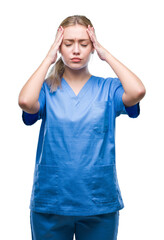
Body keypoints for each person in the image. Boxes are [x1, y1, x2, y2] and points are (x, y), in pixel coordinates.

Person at [18, 15, 146, 240]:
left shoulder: (108, 88)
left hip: (98, 204)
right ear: (59, 46)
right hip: (52, 202)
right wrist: (49, 58)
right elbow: (26, 102)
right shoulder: (47, 89)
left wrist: (105, 54)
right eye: (68, 44)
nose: (75, 50)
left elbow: (137, 92)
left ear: (92, 47)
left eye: (84, 44)